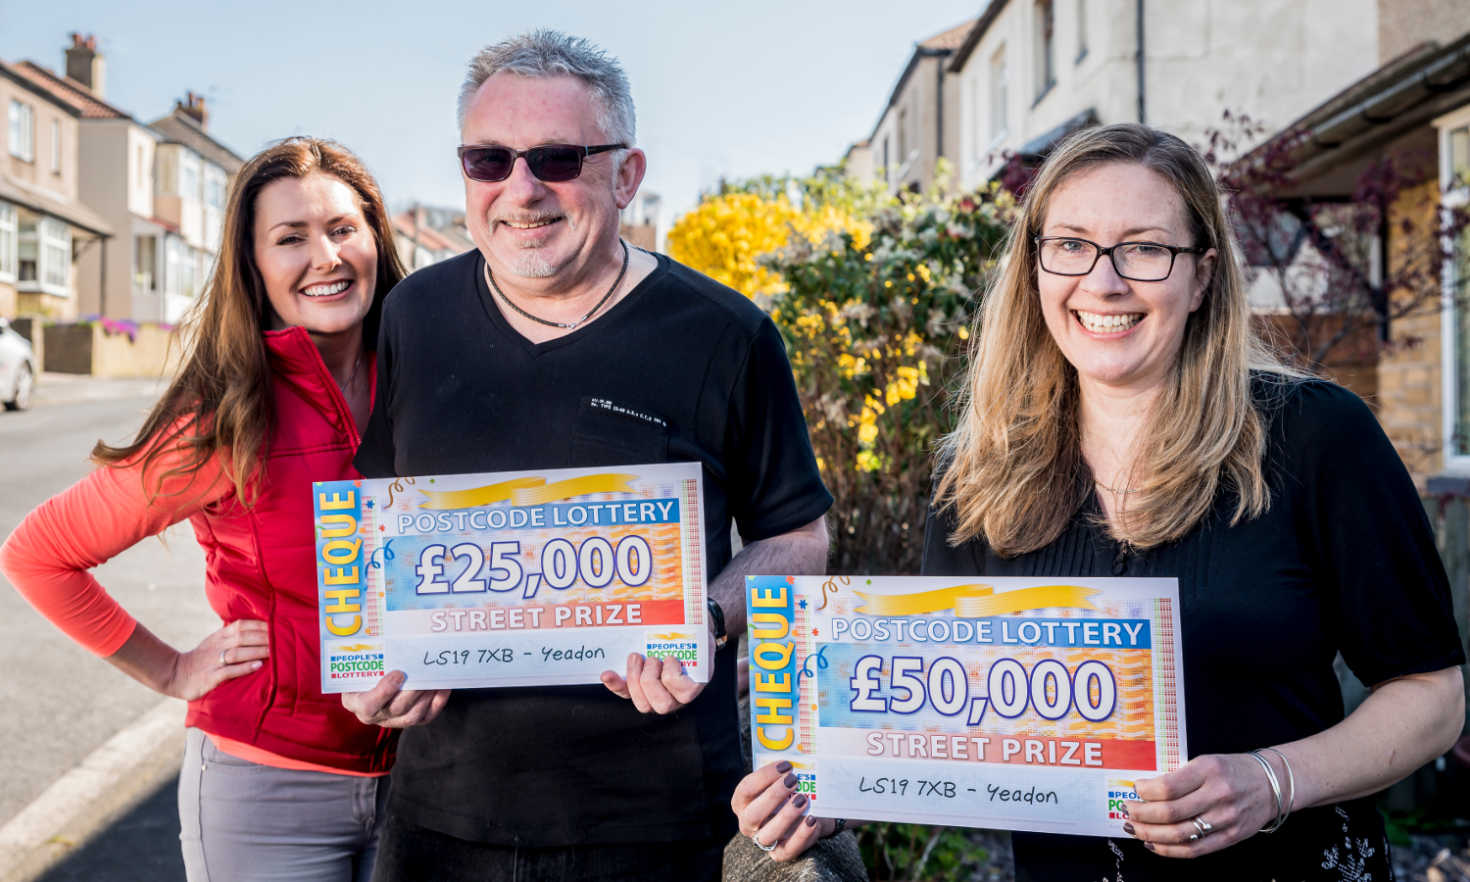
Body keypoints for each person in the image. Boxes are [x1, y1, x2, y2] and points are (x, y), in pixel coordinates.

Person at [732, 123, 1466, 880]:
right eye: (1071, 244)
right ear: (1037, 266)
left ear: (1202, 276)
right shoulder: (977, 479)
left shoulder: (1317, 437)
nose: (1103, 282)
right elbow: (949, 730)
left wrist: (1272, 781)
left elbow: (1432, 697)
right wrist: (831, 788)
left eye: (1145, 248)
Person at [338, 29, 832, 882]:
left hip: (655, 817)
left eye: (557, 158)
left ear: (627, 175)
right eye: (488, 160)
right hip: (441, 813)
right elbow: (374, 518)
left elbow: (799, 538)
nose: (520, 190)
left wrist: (706, 624)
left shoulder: (726, 334)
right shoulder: (412, 316)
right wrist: (365, 661)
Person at [0, 137, 407, 882]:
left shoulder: (430, 383)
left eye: (345, 228)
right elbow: (37, 555)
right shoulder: (223, 414)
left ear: (377, 238)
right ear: (253, 266)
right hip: (267, 790)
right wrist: (172, 670)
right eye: (290, 238)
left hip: (424, 786)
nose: (327, 256)